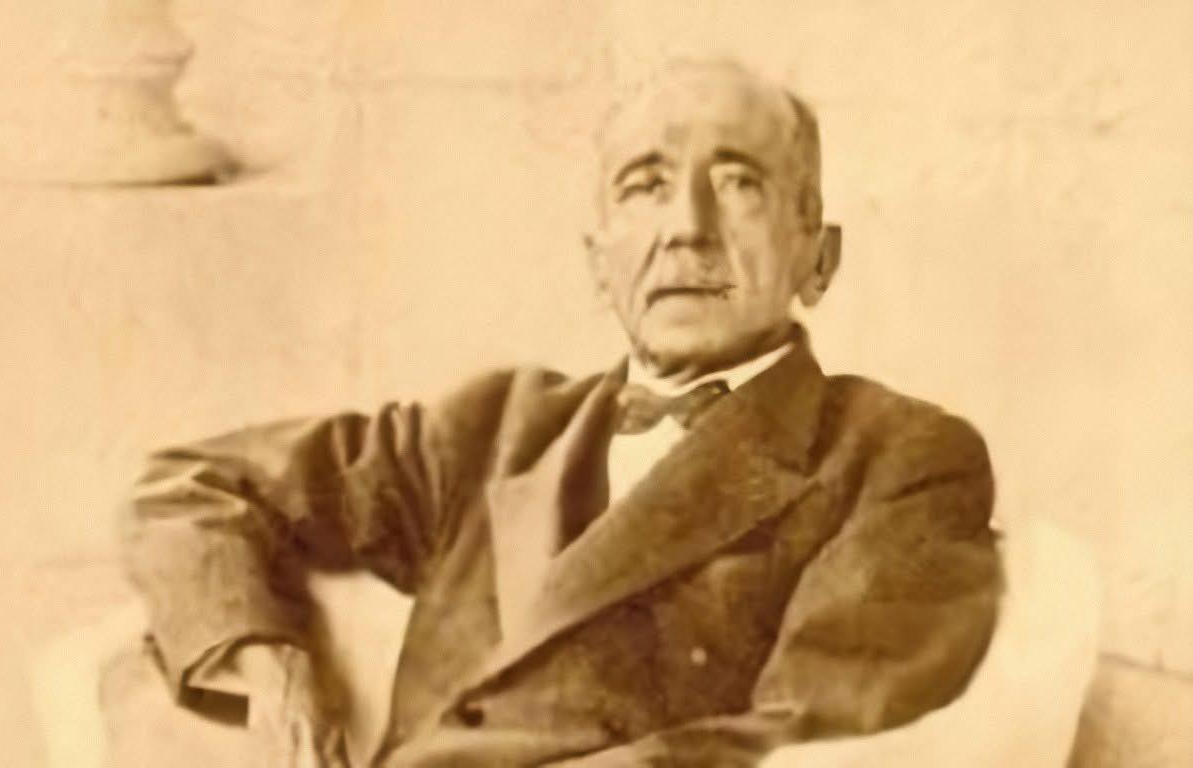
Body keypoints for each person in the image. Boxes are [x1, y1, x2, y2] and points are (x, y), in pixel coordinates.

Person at [121, 59, 1002, 767]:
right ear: (598, 264)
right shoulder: (495, 428)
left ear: (819, 255)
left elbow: (808, 737)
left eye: (739, 183)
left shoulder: (898, 456)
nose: (686, 228)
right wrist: (277, 677)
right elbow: (194, 490)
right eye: (645, 186)